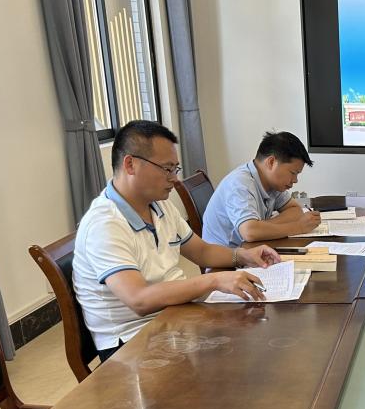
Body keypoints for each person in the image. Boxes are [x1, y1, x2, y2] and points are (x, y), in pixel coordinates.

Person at [74, 121, 280, 361]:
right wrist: (214, 280)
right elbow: (139, 299)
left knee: (259, 336)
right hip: (133, 342)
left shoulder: (159, 205)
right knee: (244, 355)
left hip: (175, 317)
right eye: (167, 169)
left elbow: (201, 252)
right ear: (130, 164)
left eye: (175, 169)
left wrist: (243, 256)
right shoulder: (104, 224)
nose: (174, 179)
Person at [202, 131, 320, 247]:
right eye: (293, 173)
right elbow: (250, 232)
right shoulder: (240, 184)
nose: (295, 180)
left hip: (249, 249)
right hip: (226, 256)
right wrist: (298, 227)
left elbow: (295, 210)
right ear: (271, 162)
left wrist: (262, 227)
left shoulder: (272, 183)